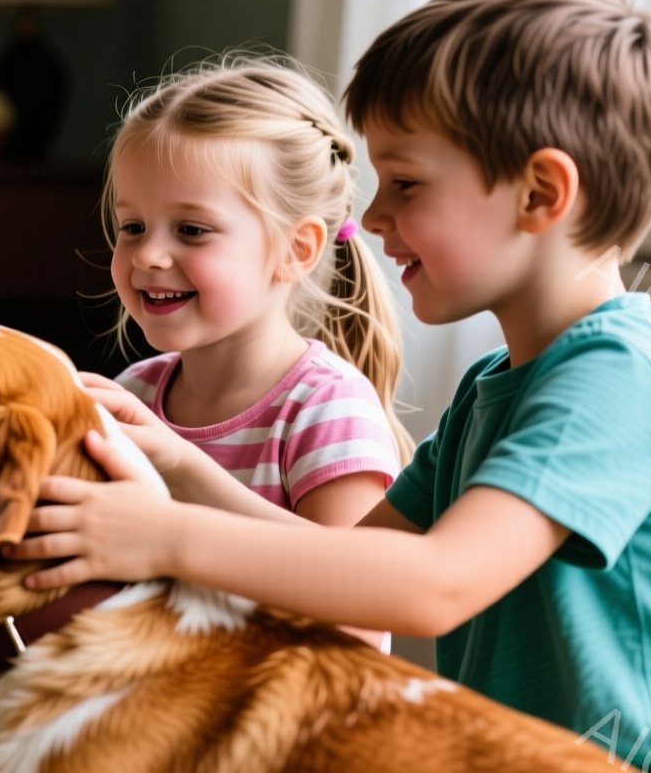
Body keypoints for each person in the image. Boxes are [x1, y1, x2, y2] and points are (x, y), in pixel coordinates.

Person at [8, 0, 651, 769]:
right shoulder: (495, 385)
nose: (370, 220)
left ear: (541, 193)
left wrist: (163, 536)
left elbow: (429, 587)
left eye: (405, 183)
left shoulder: (617, 378)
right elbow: (342, 561)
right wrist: (177, 464)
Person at [84, 58, 411, 539]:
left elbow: (356, 605)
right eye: (132, 226)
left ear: (296, 250)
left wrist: (181, 468)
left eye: (191, 230)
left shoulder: (326, 408)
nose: (148, 255)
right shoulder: (134, 395)